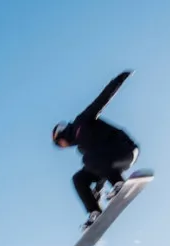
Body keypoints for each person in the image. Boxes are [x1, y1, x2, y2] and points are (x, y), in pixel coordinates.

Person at [52, 70, 140, 229]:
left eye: (59, 143)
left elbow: (101, 100)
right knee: (79, 178)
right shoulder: (82, 148)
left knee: (88, 159)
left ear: (61, 134)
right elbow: (100, 168)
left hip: (125, 149)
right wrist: (97, 191)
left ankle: (119, 182)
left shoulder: (81, 122)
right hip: (110, 161)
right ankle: (95, 212)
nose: (62, 147)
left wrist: (119, 80)